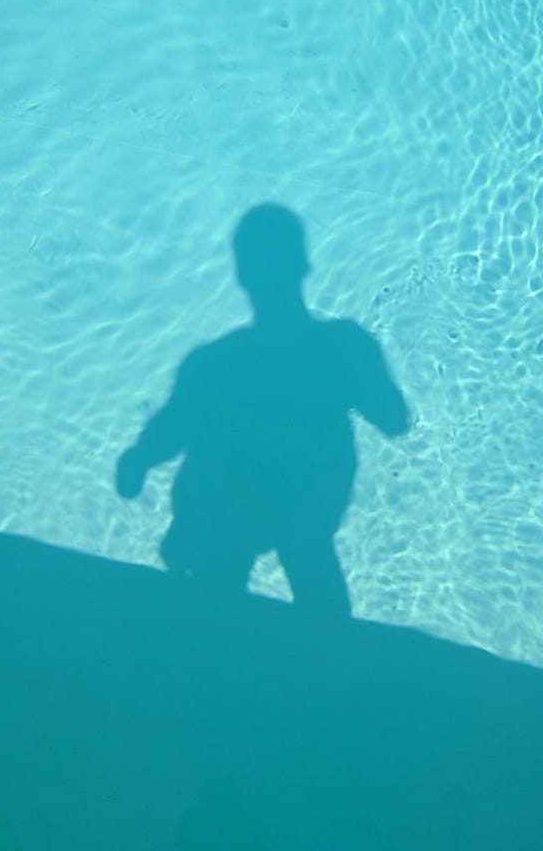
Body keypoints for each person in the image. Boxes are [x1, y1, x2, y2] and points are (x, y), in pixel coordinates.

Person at [116, 204, 408, 616]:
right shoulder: (334, 348)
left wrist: (138, 460)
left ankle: (202, 564)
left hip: (285, 514)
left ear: (241, 275)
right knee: (298, 558)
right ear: (303, 264)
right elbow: (395, 418)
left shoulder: (222, 362)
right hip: (271, 514)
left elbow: (173, 426)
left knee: (287, 552)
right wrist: (140, 458)